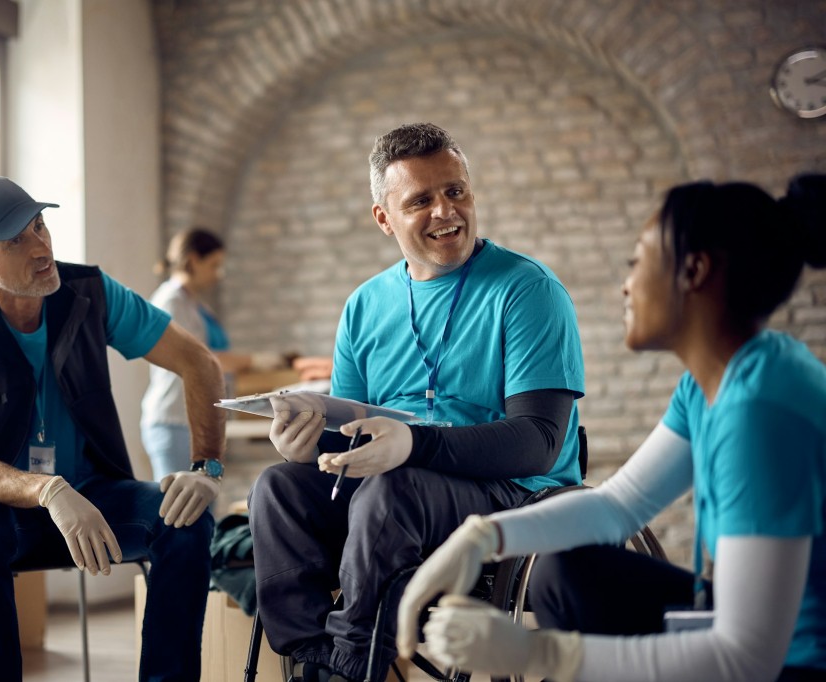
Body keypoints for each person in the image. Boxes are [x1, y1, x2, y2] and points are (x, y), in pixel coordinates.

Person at [397, 174, 826, 682]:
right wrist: (483, 537)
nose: (625, 285)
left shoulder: (761, 412)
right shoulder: (717, 382)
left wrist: (542, 656)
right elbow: (618, 504)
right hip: (764, 645)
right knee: (566, 573)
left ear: (693, 271)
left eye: (637, 263)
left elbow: (747, 658)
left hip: (799, 663)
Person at [247, 122, 587, 682]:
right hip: (397, 500)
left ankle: (354, 667)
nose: (445, 211)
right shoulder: (364, 305)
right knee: (278, 488)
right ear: (384, 218)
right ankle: (313, 659)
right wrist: (309, 444)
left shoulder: (527, 290)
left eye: (455, 191)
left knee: (393, 488)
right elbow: (350, 438)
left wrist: (412, 444)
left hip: (513, 493)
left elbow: (539, 443)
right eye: (421, 200)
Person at [0, 177, 227, 682]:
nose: (41, 247)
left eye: (40, 225)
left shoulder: (91, 293)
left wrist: (205, 466)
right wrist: (49, 490)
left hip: (93, 498)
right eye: (15, 240)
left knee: (186, 522)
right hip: (1, 515)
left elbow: (198, 362)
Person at [141, 226, 291, 480]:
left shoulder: (196, 304)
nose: (218, 274)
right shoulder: (171, 301)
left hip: (197, 419)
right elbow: (202, 360)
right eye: (214, 265)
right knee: (178, 509)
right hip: (174, 420)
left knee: (203, 502)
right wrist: (256, 360)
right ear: (193, 261)